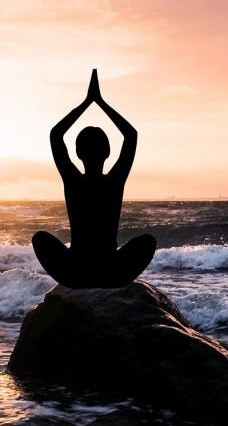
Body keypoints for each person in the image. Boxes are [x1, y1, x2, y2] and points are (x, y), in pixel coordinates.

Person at [32, 69, 156, 288]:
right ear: (108, 153)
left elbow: (56, 134)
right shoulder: (115, 180)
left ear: (78, 153)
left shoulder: (72, 179)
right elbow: (131, 135)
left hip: (75, 273)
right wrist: (101, 102)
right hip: (110, 272)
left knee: (39, 238)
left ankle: (84, 280)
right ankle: (108, 279)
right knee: (148, 242)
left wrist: (87, 102)